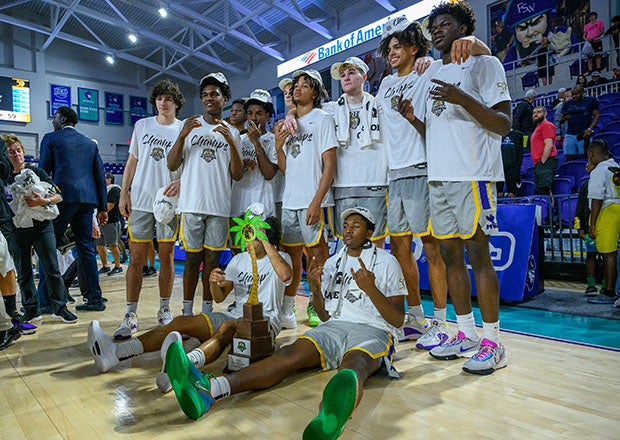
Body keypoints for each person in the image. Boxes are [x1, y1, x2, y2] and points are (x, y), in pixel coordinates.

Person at [164, 207, 406, 440]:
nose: (349, 230)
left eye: (356, 226)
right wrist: (315, 289)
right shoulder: (333, 263)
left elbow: (397, 319)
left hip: (374, 331)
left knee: (355, 365)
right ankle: (211, 389)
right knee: (289, 354)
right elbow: (324, 317)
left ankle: (330, 417)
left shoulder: (387, 263)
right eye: (345, 225)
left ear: (369, 233)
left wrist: (371, 289)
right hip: (334, 328)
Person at [423, 1, 512, 374]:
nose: (438, 30)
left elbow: (504, 123)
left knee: (479, 257)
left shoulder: (485, 64)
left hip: (474, 174)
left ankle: (493, 341)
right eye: (434, 27)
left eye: (446, 24)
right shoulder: (431, 74)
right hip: (439, 178)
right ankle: (465, 333)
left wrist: (463, 98)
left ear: (463, 29)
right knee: (449, 258)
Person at [87, 215, 291, 376]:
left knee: (227, 328)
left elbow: (285, 275)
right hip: (233, 315)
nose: (247, 238)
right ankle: (114, 354)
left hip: (264, 323)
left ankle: (184, 366)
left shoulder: (282, 258)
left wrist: (264, 242)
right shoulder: (239, 260)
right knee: (181, 322)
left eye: (253, 233)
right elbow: (219, 297)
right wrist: (213, 283)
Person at [376, 17, 451, 347]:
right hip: (395, 175)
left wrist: (429, 58)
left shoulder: (428, 69)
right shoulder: (383, 86)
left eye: (398, 47)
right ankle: (417, 318)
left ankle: (441, 320)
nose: (392, 52)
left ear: (414, 47)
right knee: (400, 249)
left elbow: (441, 65)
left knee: (432, 248)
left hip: (422, 168)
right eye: (389, 48)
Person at [167, 73, 244, 319]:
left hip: (219, 205)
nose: (209, 99)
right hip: (192, 203)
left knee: (212, 262)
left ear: (225, 98)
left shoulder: (233, 131)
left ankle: (207, 312)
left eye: (214, 94)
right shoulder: (189, 125)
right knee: (191, 260)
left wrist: (231, 143)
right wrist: (181, 136)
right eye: (205, 95)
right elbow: (171, 165)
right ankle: (187, 312)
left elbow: (238, 174)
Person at [116, 79, 184, 339]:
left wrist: (183, 181)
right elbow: (132, 161)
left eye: (168, 98)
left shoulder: (184, 129)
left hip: (169, 203)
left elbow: (188, 164)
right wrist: (124, 193)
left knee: (165, 257)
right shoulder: (142, 125)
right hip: (142, 201)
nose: (163, 102)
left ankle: (165, 309)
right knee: (135, 258)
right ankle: (130, 314)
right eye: (159, 98)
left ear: (176, 103)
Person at [274, 69, 337, 328]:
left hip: (314, 201)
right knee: (291, 258)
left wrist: (316, 201)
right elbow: (287, 168)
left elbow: (330, 164)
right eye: (296, 84)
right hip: (290, 200)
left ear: (316, 92)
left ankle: (318, 305)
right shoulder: (287, 124)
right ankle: (287, 310)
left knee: (317, 257)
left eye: (305, 85)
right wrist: (278, 147)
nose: (297, 88)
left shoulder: (322, 119)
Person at [3, 133, 78, 324]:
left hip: (42, 226)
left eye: (18, 150)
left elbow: (59, 197)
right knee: (23, 271)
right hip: (17, 229)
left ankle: (60, 308)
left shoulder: (37, 172)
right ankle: (31, 310)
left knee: (51, 267)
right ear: (5, 155)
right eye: (11, 152)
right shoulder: (3, 179)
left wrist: (42, 200)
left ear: (23, 152)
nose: (16, 154)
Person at [39, 106, 107, 312]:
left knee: (47, 247)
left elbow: (43, 172)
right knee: (86, 250)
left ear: (63, 118)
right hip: (87, 200)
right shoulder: (89, 143)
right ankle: (95, 299)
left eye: (55, 117)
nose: (53, 121)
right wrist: (102, 207)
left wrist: (44, 199)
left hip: (62, 198)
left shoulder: (51, 138)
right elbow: (99, 177)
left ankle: (47, 302)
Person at [325, 56, 387, 248]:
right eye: (343, 75)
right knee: (348, 243)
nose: (346, 77)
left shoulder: (380, 105)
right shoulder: (331, 109)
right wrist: (292, 114)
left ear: (364, 77)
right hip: (344, 186)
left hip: (375, 183)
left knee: (376, 242)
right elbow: (301, 111)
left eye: (351, 72)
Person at [585, 140, 619, 307]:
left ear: (592, 154)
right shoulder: (614, 166)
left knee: (608, 254)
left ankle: (609, 291)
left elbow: (597, 199)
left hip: (608, 211)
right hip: (618, 208)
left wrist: (592, 224)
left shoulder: (599, 171)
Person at [502, 0, 554, 70]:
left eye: (536, 23)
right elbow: (505, 74)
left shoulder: (562, 33)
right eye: (522, 28)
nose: (530, 32)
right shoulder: (513, 53)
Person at [560, 84, 599, 161]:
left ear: (582, 92)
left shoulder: (591, 100)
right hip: (570, 133)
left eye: (577, 94)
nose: (574, 96)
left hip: (584, 133)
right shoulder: (567, 104)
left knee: (586, 157)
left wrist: (589, 129)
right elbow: (561, 120)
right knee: (569, 157)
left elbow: (596, 116)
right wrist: (563, 119)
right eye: (573, 94)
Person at [96, 173, 123, 276]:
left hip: (111, 221)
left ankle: (118, 266)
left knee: (113, 244)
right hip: (99, 221)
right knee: (100, 245)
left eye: (105, 178)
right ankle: (105, 266)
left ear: (110, 180)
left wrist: (99, 212)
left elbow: (109, 206)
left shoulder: (114, 190)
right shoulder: (101, 190)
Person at [530, 106, 558, 195]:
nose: (536, 114)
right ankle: (548, 208)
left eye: (539, 112)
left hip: (546, 161)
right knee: (543, 190)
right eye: (534, 113)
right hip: (540, 163)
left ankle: (548, 208)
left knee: (544, 190)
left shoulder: (546, 125)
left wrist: (542, 162)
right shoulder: (538, 127)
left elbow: (549, 145)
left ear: (545, 114)